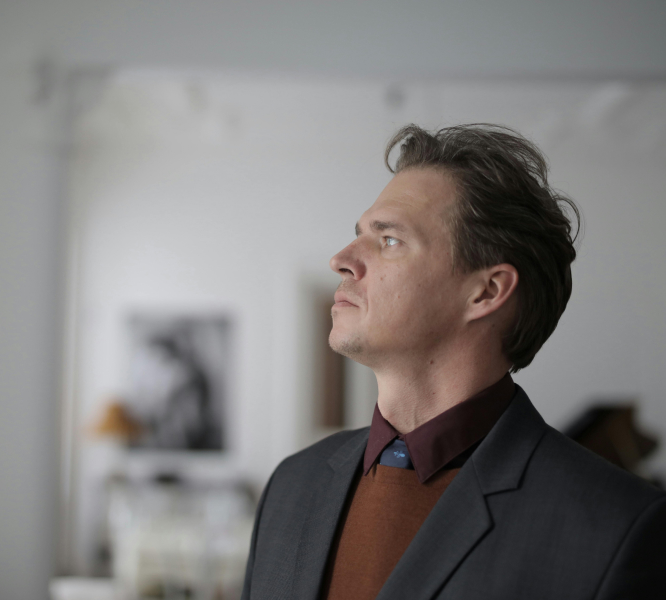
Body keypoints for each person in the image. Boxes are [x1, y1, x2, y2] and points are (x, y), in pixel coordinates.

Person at [240, 124, 666, 600]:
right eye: (358, 235)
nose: (341, 259)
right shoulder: (291, 485)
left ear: (486, 291)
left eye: (389, 240)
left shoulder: (617, 528)